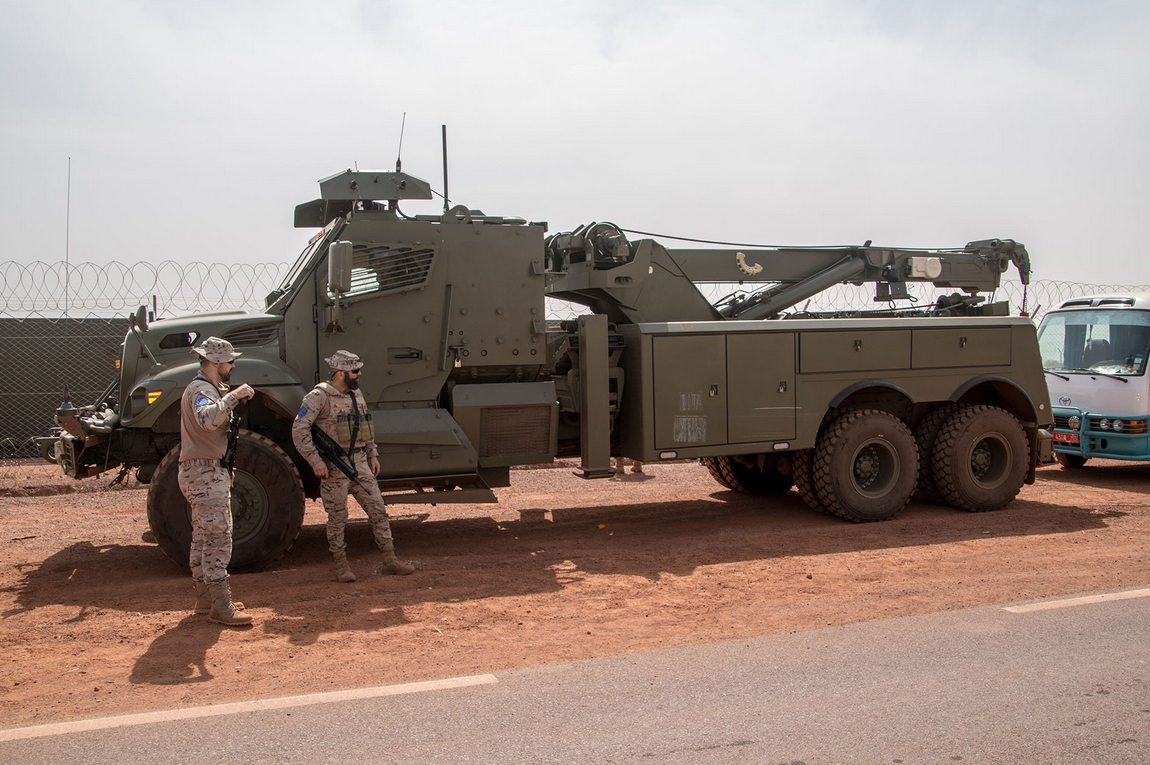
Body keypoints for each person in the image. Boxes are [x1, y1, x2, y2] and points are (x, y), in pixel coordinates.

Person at [292, 350, 415, 582]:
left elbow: (365, 424)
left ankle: (389, 560)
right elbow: (299, 429)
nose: (359, 374)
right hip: (334, 467)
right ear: (339, 373)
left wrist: (372, 454)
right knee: (338, 518)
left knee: (378, 510)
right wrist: (315, 460)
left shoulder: (355, 394)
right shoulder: (320, 396)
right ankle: (341, 565)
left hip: (360, 463)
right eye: (354, 371)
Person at [180, 336, 255, 626]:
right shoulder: (202, 389)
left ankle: (205, 599)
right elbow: (207, 420)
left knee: (202, 536)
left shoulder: (208, 388)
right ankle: (221, 604)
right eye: (228, 361)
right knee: (218, 537)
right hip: (204, 473)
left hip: (205, 470)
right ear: (214, 362)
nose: (232, 365)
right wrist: (234, 396)